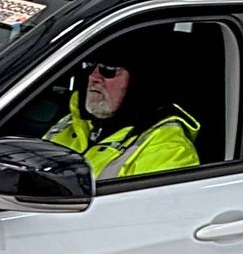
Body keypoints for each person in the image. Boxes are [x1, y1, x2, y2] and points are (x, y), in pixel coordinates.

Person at [43, 53, 201, 179]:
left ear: (139, 81)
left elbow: (151, 217)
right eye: (89, 66)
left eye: (109, 69)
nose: (94, 77)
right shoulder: (71, 122)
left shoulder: (168, 149)